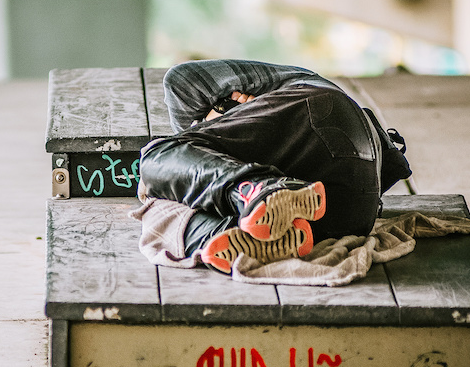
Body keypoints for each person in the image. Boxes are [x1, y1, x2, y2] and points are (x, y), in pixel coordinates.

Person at [138, 59, 412, 274]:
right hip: (350, 211)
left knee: (157, 158)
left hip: (319, 117)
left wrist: (211, 125)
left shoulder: (290, 85)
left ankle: (254, 190)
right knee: (159, 215)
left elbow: (182, 80)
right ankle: (245, 234)